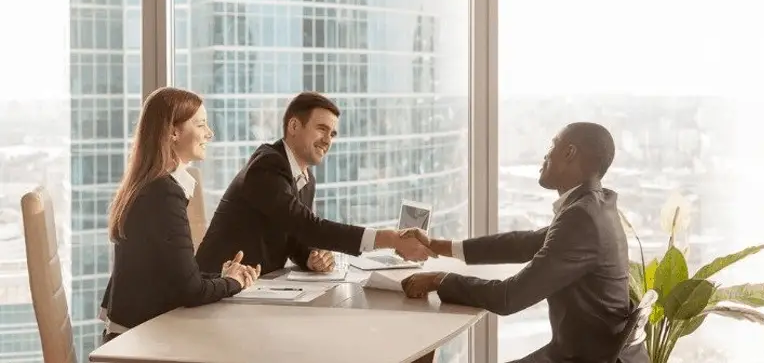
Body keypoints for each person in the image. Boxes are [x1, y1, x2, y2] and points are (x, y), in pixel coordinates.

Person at [401, 122, 649, 363]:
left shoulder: (581, 217)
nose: (545, 155)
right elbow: (522, 243)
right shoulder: (595, 204)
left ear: (569, 152)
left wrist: (439, 280)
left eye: (552, 145)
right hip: (593, 352)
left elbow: (509, 297)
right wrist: (437, 245)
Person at [195, 92, 434, 275]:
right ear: (294, 126)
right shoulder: (267, 165)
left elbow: (294, 234)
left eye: (332, 134)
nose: (327, 140)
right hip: (218, 283)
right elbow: (308, 226)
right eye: (322, 129)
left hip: (257, 286)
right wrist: (389, 238)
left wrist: (310, 256)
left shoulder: (306, 179)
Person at [99, 87, 260, 343]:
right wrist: (234, 282)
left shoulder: (152, 185)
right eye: (201, 124)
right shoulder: (163, 193)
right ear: (173, 132)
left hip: (134, 334)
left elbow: (171, 277)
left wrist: (222, 277)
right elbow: (191, 291)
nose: (210, 133)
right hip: (137, 343)